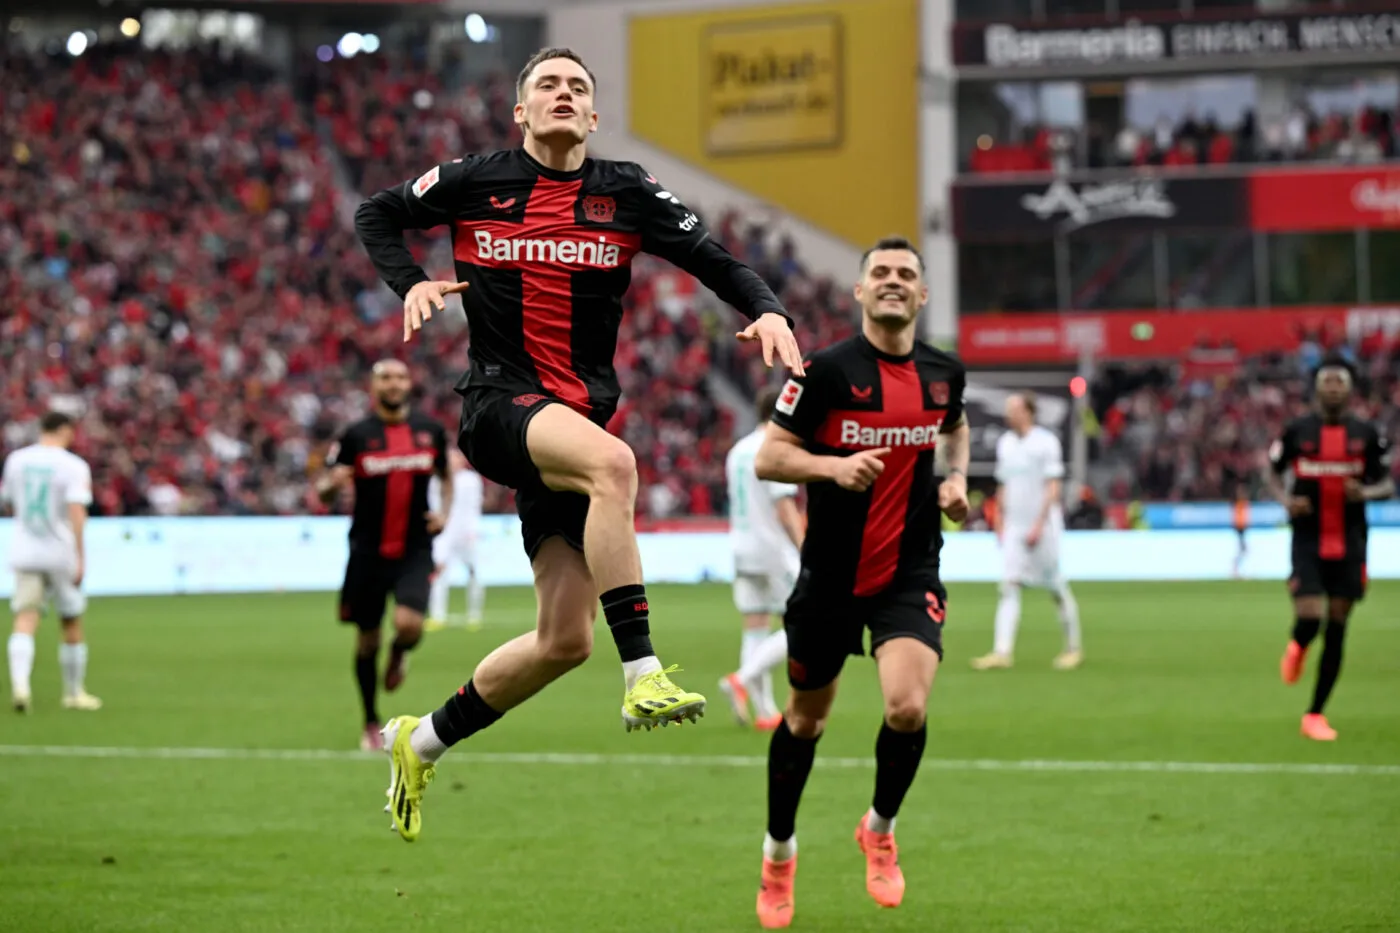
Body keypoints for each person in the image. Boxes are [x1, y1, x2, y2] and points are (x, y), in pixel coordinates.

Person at [354, 46, 803, 841]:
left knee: (563, 639)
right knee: (615, 463)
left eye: (578, 88)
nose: (563, 94)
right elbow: (377, 212)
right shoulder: (474, 180)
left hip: (566, 425)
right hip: (496, 402)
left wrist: (767, 308)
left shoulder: (624, 191)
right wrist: (411, 281)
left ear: (594, 116)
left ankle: (417, 740)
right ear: (521, 112)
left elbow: (713, 257)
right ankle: (643, 673)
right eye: (547, 86)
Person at [748, 237, 970, 929]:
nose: (894, 281)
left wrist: (956, 478)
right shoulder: (823, 372)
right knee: (806, 719)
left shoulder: (943, 373)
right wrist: (833, 469)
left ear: (922, 294)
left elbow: (955, 429)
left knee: (906, 706)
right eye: (881, 273)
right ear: (860, 291)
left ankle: (879, 826)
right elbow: (770, 458)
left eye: (907, 273)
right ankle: (778, 853)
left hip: (909, 568)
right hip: (830, 576)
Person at [315, 360, 451, 752]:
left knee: (409, 625)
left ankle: (400, 653)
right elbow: (323, 490)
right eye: (386, 378)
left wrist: (443, 512)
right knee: (366, 641)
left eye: (400, 377)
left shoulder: (430, 431)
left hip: (414, 547)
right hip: (368, 551)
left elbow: (446, 477)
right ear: (374, 387)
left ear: (410, 384)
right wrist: (331, 485)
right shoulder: (356, 435)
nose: (394, 384)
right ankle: (370, 719)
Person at [1266, 357, 1392, 741]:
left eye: (1341, 381)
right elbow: (1271, 470)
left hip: (1351, 541)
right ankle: (1298, 644)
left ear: (1351, 389)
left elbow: (1386, 483)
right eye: (1328, 381)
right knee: (1310, 617)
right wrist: (1286, 501)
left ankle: (1315, 714)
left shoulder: (1367, 433)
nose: (1334, 387)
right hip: (1307, 539)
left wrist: (1365, 491)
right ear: (1317, 388)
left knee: (1338, 626)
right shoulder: (1297, 430)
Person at [970, 393, 1082, 671]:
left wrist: (1038, 524)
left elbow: (1052, 487)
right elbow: (1003, 485)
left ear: (1028, 411)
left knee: (1055, 585)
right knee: (1008, 585)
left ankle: (1072, 648)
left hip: (1042, 527)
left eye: (1014, 409)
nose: (1009, 414)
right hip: (1014, 527)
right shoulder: (1006, 444)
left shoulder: (1046, 442)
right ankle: (1002, 651)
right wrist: (999, 520)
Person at [1, 411, 99, 713]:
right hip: (60, 552)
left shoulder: (16, 460)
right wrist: (81, 557)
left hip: (26, 549)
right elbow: (77, 513)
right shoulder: (73, 465)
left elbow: (9, 501)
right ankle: (73, 693)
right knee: (70, 619)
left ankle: (21, 685)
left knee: (25, 618)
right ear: (65, 430)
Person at [719, 386, 804, 732]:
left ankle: (766, 711)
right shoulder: (774, 449)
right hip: (772, 550)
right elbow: (784, 508)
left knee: (755, 629)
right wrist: (804, 548)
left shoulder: (737, 450)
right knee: (805, 626)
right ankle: (740, 679)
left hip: (741, 547)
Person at [426, 448, 486, 631]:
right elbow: (432, 504)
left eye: (455, 458)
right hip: (444, 533)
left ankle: (474, 615)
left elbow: (475, 506)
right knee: (438, 572)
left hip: (466, 532)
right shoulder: (436, 480)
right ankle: (437, 615)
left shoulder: (471, 480)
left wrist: (473, 529)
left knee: (473, 572)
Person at [1232, 485, 1250, 579]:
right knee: (1242, 550)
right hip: (1240, 530)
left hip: (1242, 529)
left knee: (1244, 550)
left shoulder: (1244, 504)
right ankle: (1236, 569)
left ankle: (1237, 569)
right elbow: (1238, 519)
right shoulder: (1238, 505)